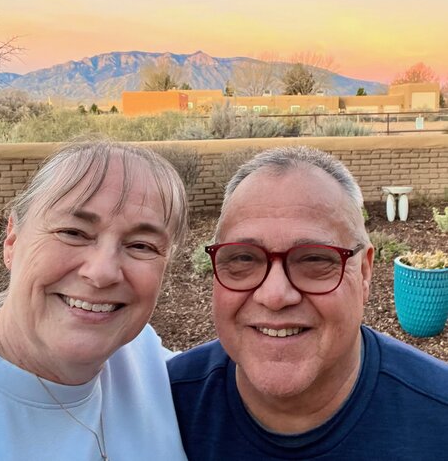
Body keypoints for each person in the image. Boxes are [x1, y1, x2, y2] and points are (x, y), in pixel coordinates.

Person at [168, 146, 448, 460]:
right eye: (243, 258)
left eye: (315, 259)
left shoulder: (438, 416)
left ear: (364, 273)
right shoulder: (160, 408)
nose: (274, 296)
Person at [0, 140, 188, 460]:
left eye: (141, 246)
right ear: (12, 240)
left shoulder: (146, 357)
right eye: (73, 232)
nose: (102, 273)